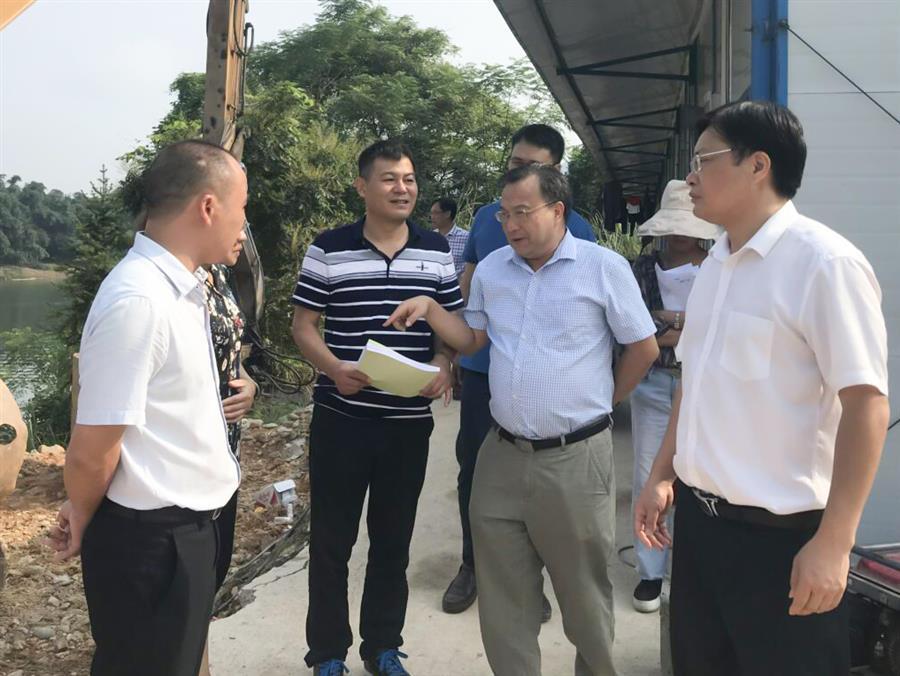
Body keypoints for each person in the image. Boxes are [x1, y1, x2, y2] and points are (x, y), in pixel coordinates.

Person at [634, 101, 889, 676]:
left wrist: (835, 542)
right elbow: (694, 383)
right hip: (701, 532)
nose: (691, 178)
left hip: (783, 543)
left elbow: (867, 407)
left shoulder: (824, 264)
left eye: (704, 160)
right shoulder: (715, 266)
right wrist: (662, 475)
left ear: (758, 165)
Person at [386, 164, 659, 676]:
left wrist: (604, 403)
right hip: (502, 454)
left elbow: (642, 348)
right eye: (504, 214)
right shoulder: (493, 270)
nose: (510, 224)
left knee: (583, 596)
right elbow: (473, 339)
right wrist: (430, 309)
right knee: (503, 598)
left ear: (558, 211)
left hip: (576, 459)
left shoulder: (602, 267)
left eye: (522, 212)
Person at [48, 140, 248, 676]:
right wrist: (82, 512)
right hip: (153, 544)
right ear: (208, 206)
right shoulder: (140, 301)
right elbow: (93, 449)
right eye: (242, 207)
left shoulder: (182, 288)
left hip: (186, 532)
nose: (243, 224)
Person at [291, 139, 463, 676]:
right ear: (362, 186)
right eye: (389, 179)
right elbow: (303, 326)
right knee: (331, 542)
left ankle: (383, 646)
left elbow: (450, 328)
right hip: (341, 420)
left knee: (393, 541)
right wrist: (333, 368)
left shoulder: (436, 250)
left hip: (407, 425)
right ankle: (327, 653)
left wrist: (442, 363)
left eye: (409, 179)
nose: (402, 188)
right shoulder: (329, 248)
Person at [444, 123, 596, 618]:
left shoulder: (579, 229)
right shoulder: (488, 217)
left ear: (555, 175)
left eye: (531, 165)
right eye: (513, 163)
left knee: (538, 486)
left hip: (543, 383)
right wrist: (454, 352)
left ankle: (531, 579)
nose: (518, 172)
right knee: (475, 470)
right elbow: (468, 285)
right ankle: (472, 565)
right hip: (484, 369)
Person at [628, 180, 720, 613]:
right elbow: (636, 329)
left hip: (706, 388)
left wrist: (668, 321)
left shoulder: (720, 266)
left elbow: (718, 331)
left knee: (702, 479)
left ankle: (689, 569)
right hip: (653, 383)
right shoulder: (642, 269)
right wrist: (685, 325)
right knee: (649, 475)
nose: (681, 234)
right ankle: (649, 570)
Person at [198, 260, 258, 676]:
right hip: (188, 463)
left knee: (210, 576)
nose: (242, 234)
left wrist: (248, 383)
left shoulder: (217, 275)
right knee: (189, 583)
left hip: (225, 455)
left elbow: (230, 350)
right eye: (238, 227)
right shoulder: (164, 285)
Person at [430, 197, 468, 278]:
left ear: (447, 214)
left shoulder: (466, 238)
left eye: (436, 213)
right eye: (431, 213)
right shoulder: (430, 237)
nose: (432, 217)